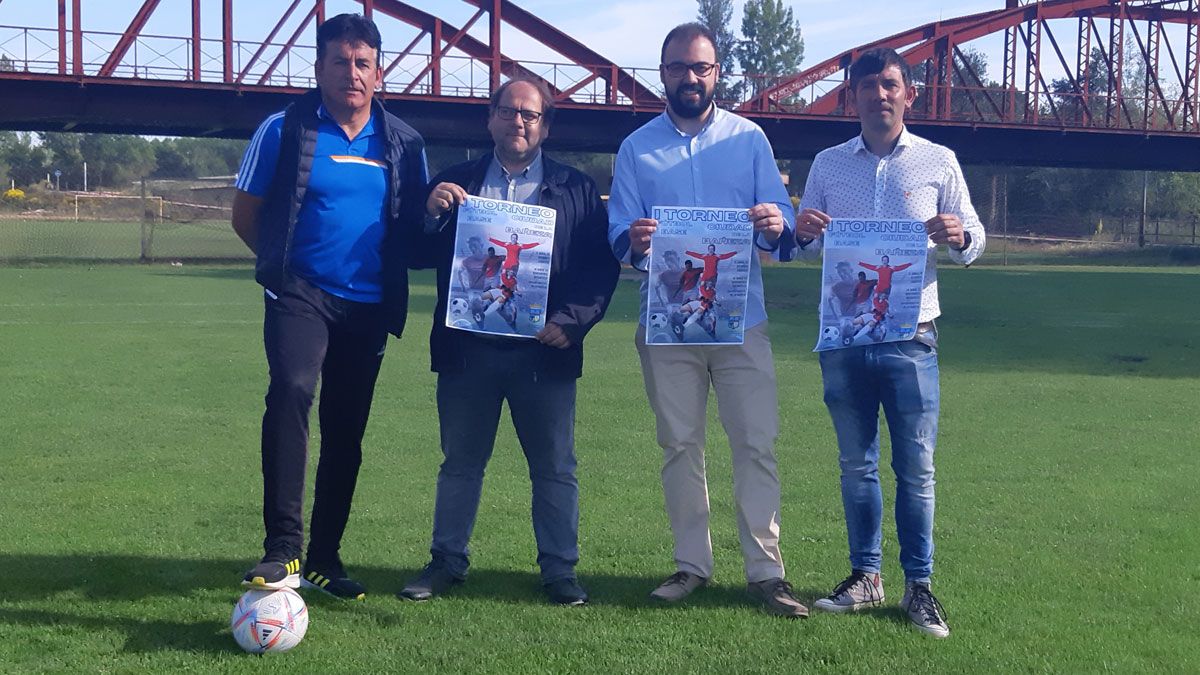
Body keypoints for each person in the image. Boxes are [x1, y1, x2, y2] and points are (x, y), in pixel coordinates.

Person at [607, 23, 806, 618]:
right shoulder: (636, 147)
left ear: (717, 73)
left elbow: (786, 230)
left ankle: (766, 573)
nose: (689, 78)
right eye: (677, 68)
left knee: (755, 443)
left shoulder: (749, 140)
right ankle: (691, 565)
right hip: (667, 325)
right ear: (662, 73)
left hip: (742, 320)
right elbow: (619, 233)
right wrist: (636, 241)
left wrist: (776, 221)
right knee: (679, 445)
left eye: (701, 68)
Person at [230, 13, 428, 600]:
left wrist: (440, 207)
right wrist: (284, 270)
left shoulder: (405, 143)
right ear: (318, 68)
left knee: (347, 429)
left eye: (362, 63)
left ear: (379, 72)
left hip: (367, 304)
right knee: (291, 391)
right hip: (301, 294)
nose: (352, 73)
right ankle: (282, 550)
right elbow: (247, 214)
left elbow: (414, 232)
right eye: (339, 61)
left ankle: (324, 558)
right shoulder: (283, 129)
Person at [400, 77, 620, 606]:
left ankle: (560, 571)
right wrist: (430, 212)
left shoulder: (576, 188)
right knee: (460, 464)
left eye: (529, 114)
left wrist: (570, 322)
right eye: (507, 111)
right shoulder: (454, 181)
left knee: (555, 468)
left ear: (545, 124)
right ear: (490, 118)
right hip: (467, 348)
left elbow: (599, 267)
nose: (517, 122)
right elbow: (409, 251)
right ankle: (446, 562)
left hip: (544, 352)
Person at [792, 47, 985, 637]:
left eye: (891, 83)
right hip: (845, 337)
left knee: (917, 469)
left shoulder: (938, 161)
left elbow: (973, 239)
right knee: (857, 466)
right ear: (853, 95)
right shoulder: (827, 165)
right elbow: (804, 247)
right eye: (869, 85)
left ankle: (919, 587)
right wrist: (802, 229)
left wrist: (959, 235)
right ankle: (865, 577)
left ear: (910, 92)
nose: (880, 94)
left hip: (911, 335)